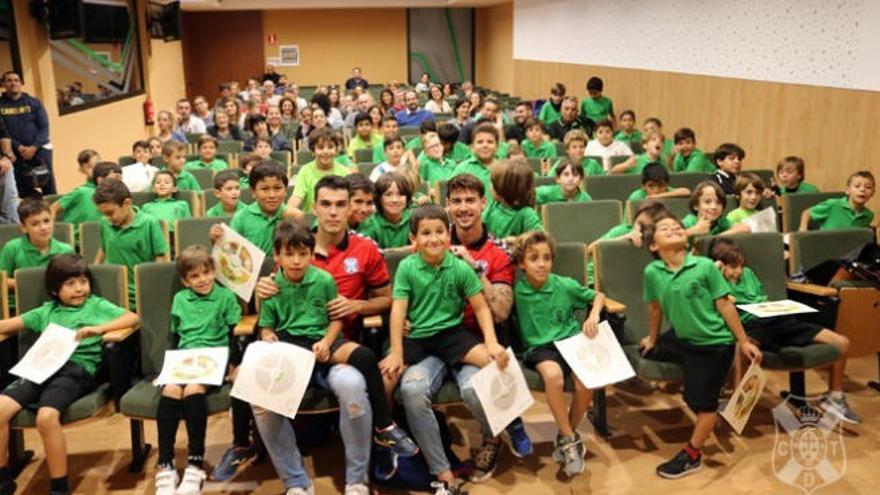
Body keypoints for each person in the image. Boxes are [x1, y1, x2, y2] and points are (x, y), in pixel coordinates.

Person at [379, 204, 510, 495]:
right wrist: (397, 352)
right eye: (425, 233)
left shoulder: (460, 267)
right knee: (400, 384)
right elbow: (398, 312)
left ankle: (504, 430)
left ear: (448, 236)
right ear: (413, 239)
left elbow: (481, 307)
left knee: (488, 372)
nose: (434, 239)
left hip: (455, 336)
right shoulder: (407, 268)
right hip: (422, 341)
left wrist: (491, 341)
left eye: (439, 232)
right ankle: (436, 468)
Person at [0, 254, 139, 495]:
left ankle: (59, 487)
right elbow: (7, 325)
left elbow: (132, 317)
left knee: (46, 417)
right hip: (40, 367)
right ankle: (3, 478)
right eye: (70, 284)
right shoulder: (46, 311)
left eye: (83, 281)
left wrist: (99, 328)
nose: (79, 289)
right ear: (54, 290)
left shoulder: (96, 305)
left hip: (76, 370)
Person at [640, 214, 762, 479]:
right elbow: (654, 307)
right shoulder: (652, 272)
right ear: (653, 246)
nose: (673, 227)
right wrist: (652, 338)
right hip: (682, 338)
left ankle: (692, 454)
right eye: (664, 228)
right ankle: (698, 390)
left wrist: (742, 341)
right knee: (647, 352)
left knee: (702, 405)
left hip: (713, 344)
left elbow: (725, 304)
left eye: (677, 226)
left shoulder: (705, 266)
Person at [708, 239, 860, 424]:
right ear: (719, 265)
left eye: (741, 265)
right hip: (751, 326)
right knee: (743, 349)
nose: (738, 271)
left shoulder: (748, 273)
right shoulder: (713, 280)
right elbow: (714, 308)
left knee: (842, 343)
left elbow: (761, 297)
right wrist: (714, 272)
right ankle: (736, 403)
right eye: (733, 266)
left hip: (779, 319)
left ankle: (834, 398)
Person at [512, 230, 605, 477]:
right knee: (553, 376)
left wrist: (593, 315)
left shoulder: (564, 284)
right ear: (522, 263)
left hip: (571, 342)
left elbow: (598, 296)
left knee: (587, 381)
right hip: (540, 348)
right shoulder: (516, 292)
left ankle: (566, 435)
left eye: (546, 258)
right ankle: (569, 439)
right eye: (533, 258)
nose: (542, 264)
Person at [153, 246, 242, 495]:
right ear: (185, 281)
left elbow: (236, 334)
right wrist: (166, 369)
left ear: (213, 271)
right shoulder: (181, 299)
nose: (202, 279)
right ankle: (166, 464)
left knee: (193, 389)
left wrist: (234, 364)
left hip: (215, 358)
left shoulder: (225, 297)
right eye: (194, 276)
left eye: (206, 273)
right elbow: (175, 337)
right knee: (171, 390)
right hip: (185, 358)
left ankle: (194, 463)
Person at [93, 179, 168, 307]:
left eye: (110, 213)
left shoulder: (149, 223)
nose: (108, 218)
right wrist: (95, 273)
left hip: (140, 293)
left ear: (127, 203)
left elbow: (160, 257)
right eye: (104, 214)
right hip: (111, 292)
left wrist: (150, 288)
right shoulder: (104, 223)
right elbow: (103, 249)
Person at [0, 199, 75, 313]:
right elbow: (2, 279)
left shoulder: (66, 250)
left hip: (56, 307)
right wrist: (29, 282)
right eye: (35, 224)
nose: (43, 227)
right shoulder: (12, 248)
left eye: (46, 221)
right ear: (23, 228)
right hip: (17, 308)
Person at [0, 71, 56, 196]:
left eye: (16, 80)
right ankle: (39, 203)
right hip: (15, 152)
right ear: (3, 84)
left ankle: (53, 209)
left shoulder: (34, 102)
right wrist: (18, 147)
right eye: (9, 80)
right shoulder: (1, 104)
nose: (13, 83)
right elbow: (3, 132)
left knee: (48, 184)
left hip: (40, 148)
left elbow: (44, 127)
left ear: (21, 83)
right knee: (19, 186)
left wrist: (34, 147)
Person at [52, 161, 121, 244]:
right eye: (115, 179)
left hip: (102, 243)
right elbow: (53, 208)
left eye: (120, 179)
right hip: (76, 244)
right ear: (100, 180)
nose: (119, 183)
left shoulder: (118, 198)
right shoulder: (82, 192)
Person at [288, 128, 353, 215]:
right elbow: (295, 199)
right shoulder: (305, 171)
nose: (326, 151)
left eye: (330, 147)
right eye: (320, 147)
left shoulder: (345, 172)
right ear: (313, 151)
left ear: (336, 150)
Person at [481, 158, 543, 242]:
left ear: (505, 188)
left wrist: (517, 240)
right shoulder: (494, 205)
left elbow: (540, 239)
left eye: (493, 183)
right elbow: (480, 226)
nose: (490, 186)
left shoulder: (526, 213)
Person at [800, 170, 875, 231]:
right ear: (847, 190)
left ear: (872, 193)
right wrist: (803, 229)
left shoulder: (868, 215)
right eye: (857, 186)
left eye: (868, 187)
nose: (862, 189)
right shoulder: (832, 204)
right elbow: (807, 213)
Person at [358, 173, 413, 250]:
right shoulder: (370, 224)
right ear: (379, 198)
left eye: (400, 194)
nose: (395, 200)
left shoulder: (415, 220)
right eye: (388, 194)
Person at [451, 123, 501, 205]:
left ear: (497, 146)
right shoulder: (462, 168)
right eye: (480, 142)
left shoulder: (504, 168)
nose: (485, 145)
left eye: (490, 142)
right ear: (472, 146)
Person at [682, 181, 748, 238]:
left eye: (718, 202)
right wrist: (694, 230)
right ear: (696, 205)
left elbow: (744, 228)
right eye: (707, 202)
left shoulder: (721, 221)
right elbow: (673, 237)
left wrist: (716, 238)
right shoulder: (689, 221)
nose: (714, 207)